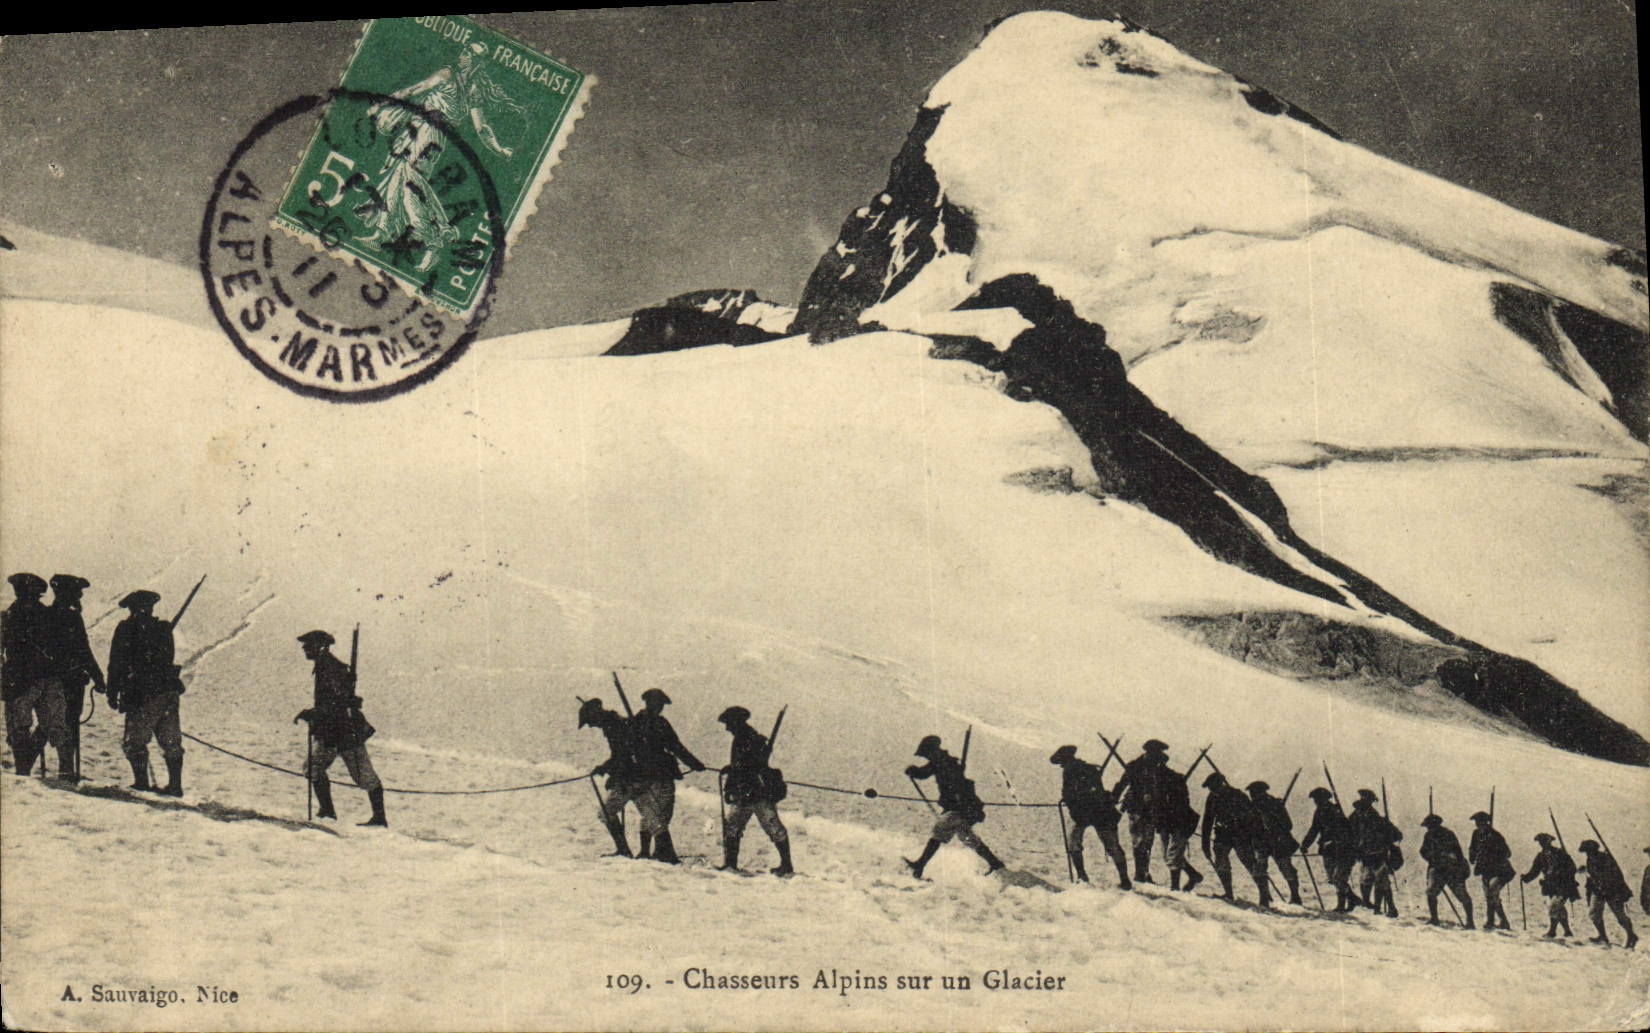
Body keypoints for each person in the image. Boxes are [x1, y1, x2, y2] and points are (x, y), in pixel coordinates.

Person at [293, 630, 385, 827]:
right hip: (331, 731)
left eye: (308, 645)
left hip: (344, 732)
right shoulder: (325, 666)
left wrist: (313, 714)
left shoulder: (330, 668)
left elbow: (337, 703)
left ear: (320, 646)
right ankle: (327, 811)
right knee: (313, 768)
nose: (304, 648)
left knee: (364, 776)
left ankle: (379, 818)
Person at [107, 589, 185, 795]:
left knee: (135, 741)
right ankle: (175, 785)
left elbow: (116, 662)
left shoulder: (126, 629)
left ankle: (142, 783)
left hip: (142, 694)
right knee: (170, 739)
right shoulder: (163, 629)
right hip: (168, 691)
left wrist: (112, 691)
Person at [904, 734, 1004, 878]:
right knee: (966, 836)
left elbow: (930, 774)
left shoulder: (944, 762)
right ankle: (995, 863)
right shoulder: (941, 761)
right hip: (961, 806)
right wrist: (914, 771)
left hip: (962, 806)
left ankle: (920, 865)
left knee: (940, 830)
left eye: (927, 754)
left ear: (933, 751)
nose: (927, 758)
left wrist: (913, 771)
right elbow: (924, 773)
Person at [3, 572, 70, 779]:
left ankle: (23, 772)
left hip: (21, 681)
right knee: (57, 727)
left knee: (19, 727)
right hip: (49, 679)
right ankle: (66, 773)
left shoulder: (10, 615)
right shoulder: (49, 615)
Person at [1112, 739, 1202, 890]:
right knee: (1140, 842)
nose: (1159, 762)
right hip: (1137, 809)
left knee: (1152, 844)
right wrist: (1113, 800)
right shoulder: (1135, 767)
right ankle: (1141, 874)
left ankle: (1145, 873)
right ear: (1149, 753)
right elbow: (1121, 784)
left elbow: (1170, 784)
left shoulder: (1159, 769)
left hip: (1155, 812)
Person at [629, 688, 706, 864]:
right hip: (658, 775)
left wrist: (694, 763)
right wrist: (694, 764)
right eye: (659, 704)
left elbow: (674, 746)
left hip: (647, 775)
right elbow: (676, 747)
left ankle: (646, 851)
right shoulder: (656, 723)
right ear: (651, 704)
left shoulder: (637, 721)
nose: (660, 708)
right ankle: (665, 853)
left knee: (652, 813)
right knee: (660, 814)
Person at [41, 574, 105, 781]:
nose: (79, 597)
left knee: (52, 723)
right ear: (68, 594)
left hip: (49, 680)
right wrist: (99, 677)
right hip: (69, 681)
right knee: (68, 722)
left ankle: (30, 765)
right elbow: (83, 651)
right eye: (77, 593)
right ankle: (66, 771)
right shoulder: (71, 617)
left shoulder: (45, 614)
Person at [716, 706, 793, 877]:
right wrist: (732, 771)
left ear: (736, 723)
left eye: (728, 724)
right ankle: (731, 864)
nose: (727, 728)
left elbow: (748, 766)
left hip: (755, 792)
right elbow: (742, 765)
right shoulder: (749, 738)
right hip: (749, 791)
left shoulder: (747, 738)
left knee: (769, 827)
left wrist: (732, 777)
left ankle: (786, 865)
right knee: (736, 826)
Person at [1050, 744, 1130, 888]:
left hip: (1085, 813)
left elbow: (1068, 793)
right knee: (1112, 846)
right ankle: (1125, 880)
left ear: (1066, 760)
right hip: (1099, 812)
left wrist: (1070, 800)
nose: (1061, 765)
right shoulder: (1090, 769)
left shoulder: (1069, 771)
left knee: (1073, 843)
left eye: (1062, 762)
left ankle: (1082, 876)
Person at [578, 697, 640, 858]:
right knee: (650, 816)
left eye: (590, 721)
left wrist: (610, 772)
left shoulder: (613, 726)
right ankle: (643, 852)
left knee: (606, 813)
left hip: (632, 776)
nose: (591, 725)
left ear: (596, 714)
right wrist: (605, 768)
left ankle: (624, 851)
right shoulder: (615, 722)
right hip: (637, 773)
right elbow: (619, 755)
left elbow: (623, 755)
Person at [1200, 772, 1270, 907]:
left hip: (1241, 835)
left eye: (1214, 787)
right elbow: (1207, 821)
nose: (1213, 791)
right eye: (1211, 789)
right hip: (1223, 835)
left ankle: (1264, 897)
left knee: (1250, 864)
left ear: (1222, 784)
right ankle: (1229, 894)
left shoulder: (1238, 796)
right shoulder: (1212, 798)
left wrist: (1253, 837)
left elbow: (1253, 819)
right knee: (1220, 861)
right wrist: (1205, 844)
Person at [1247, 780, 1303, 905]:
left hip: (1278, 843)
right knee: (1260, 869)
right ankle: (1264, 897)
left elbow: (1288, 825)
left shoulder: (1276, 805)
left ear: (1261, 793)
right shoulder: (1252, 807)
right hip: (1261, 844)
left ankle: (1295, 896)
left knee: (1286, 869)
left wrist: (1274, 824)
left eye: (1253, 793)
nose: (1252, 795)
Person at [1348, 789, 1402, 917]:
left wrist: (1388, 835)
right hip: (1365, 856)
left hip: (1379, 855)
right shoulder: (1355, 818)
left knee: (1381, 881)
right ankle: (1369, 904)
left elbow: (1397, 835)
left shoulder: (1379, 820)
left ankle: (1391, 908)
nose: (1360, 811)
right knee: (1366, 880)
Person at [1301, 787, 1356, 911]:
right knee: (1332, 878)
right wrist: (1305, 844)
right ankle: (1352, 899)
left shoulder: (1334, 810)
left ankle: (1342, 905)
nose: (1315, 801)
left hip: (1341, 848)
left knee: (1338, 877)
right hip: (1328, 849)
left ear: (1324, 799)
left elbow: (1343, 829)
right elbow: (1314, 829)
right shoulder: (1319, 811)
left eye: (1317, 799)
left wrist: (1338, 840)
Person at [1576, 840, 1637, 949]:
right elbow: (1594, 873)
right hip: (1598, 890)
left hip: (1612, 891)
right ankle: (1603, 936)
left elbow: (1612, 874)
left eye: (1589, 851)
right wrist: (1586, 870)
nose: (1587, 853)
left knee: (1619, 915)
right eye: (1586, 852)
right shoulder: (1590, 859)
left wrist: (1604, 885)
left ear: (1594, 850)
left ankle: (1631, 935)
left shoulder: (1605, 858)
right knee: (1594, 913)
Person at [1419, 814, 1475, 928]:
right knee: (1431, 892)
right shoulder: (1428, 836)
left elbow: (1458, 853)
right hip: (1437, 870)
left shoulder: (1448, 834)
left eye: (1431, 826)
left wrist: (1447, 857)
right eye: (1428, 826)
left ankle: (1470, 922)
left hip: (1452, 871)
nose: (1430, 828)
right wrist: (1432, 857)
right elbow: (1423, 851)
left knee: (1462, 895)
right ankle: (1434, 919)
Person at [1521, 832, 1579, 939]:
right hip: (1551, 887)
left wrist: (1561, 873)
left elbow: (1572, 868)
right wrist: (1526, 878)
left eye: (1545, 841)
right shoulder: (1541, 856)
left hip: (1564, 885)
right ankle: (1567, 931)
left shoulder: (1560, 853)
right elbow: (1535, 870)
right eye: (1541, 842)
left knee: (1554, 906)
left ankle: (1552, 932)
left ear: (1550, 841)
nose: (1543, 844)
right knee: (1558, 908)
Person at [1467, 811, 1515, 931]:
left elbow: (1507, 853)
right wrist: (1472, 858)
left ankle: (1491, 921)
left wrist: (1493, 852)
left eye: (1481, 822)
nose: (1478, 825)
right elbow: (1472, 848)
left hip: (1500, 871)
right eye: (1477, 823)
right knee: (1491, 896)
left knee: (1491, 893)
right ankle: (1503, 921)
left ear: (1486, 822)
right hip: (1485, 870)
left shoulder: (1495, 835)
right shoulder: (1476, 834)